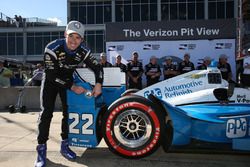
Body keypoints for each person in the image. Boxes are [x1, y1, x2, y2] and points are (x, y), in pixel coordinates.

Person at [35, 21, 103, 167]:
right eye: (71, 36)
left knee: (68, 113)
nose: (74, 40)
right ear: (65, 34)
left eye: (78, 37)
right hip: (51, 81)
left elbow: (98, 67)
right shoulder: (52, 48)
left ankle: (65, 145)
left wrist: (98, 83)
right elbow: (52, 76)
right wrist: (72, 87)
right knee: (46, 113)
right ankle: (41, 148)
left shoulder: (84, 51)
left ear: (82, 40)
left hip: (67, 80)